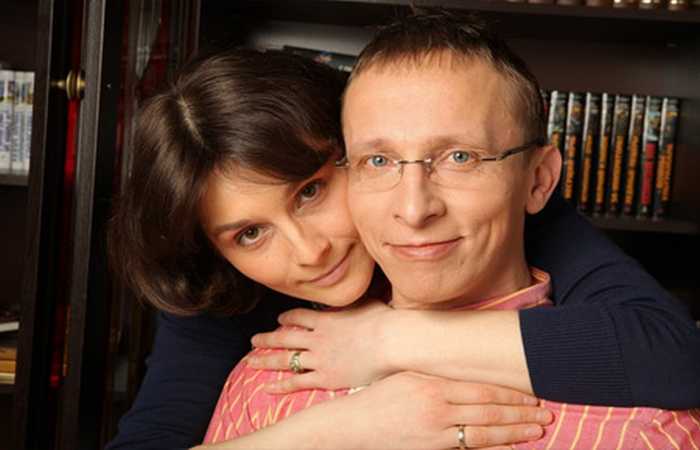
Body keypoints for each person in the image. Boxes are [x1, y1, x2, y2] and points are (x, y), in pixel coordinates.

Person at [105, 24, 700, 450]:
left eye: (310, 192)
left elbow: (674, 356)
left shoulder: (526, 215)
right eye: (251, 233)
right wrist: (338, 432)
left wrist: (387, 339)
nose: (310, 252)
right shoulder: (238, 337)